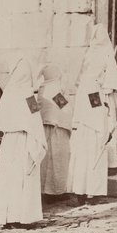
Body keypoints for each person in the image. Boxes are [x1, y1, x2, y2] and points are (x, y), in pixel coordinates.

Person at [67, 24, 117, 201]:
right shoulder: (105, 54)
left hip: (84, 102)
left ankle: (79, 189)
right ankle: (93, 191)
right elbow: (114, 81)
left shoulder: (87, 54)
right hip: (96, 98)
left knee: (82, 148)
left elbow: (76, 80)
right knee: (95, 143)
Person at [0, 57, 47, 228]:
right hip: (24, 140)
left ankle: (6, 217)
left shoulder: (8, 92)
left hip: (9, 142)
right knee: (23, 178)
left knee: (9, 179)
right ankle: (23, 217)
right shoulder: (28, 94)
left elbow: (1, 122)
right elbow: (35, 121)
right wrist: (40, 142)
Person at [36, 63, 72, 198]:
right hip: (58, 129)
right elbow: (65, 109)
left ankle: (43, 191)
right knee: (57, 162)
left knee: (45, 162)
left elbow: (35, 109)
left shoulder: (42, 88)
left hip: (44, 128)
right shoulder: (54, 89)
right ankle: (56, 192)